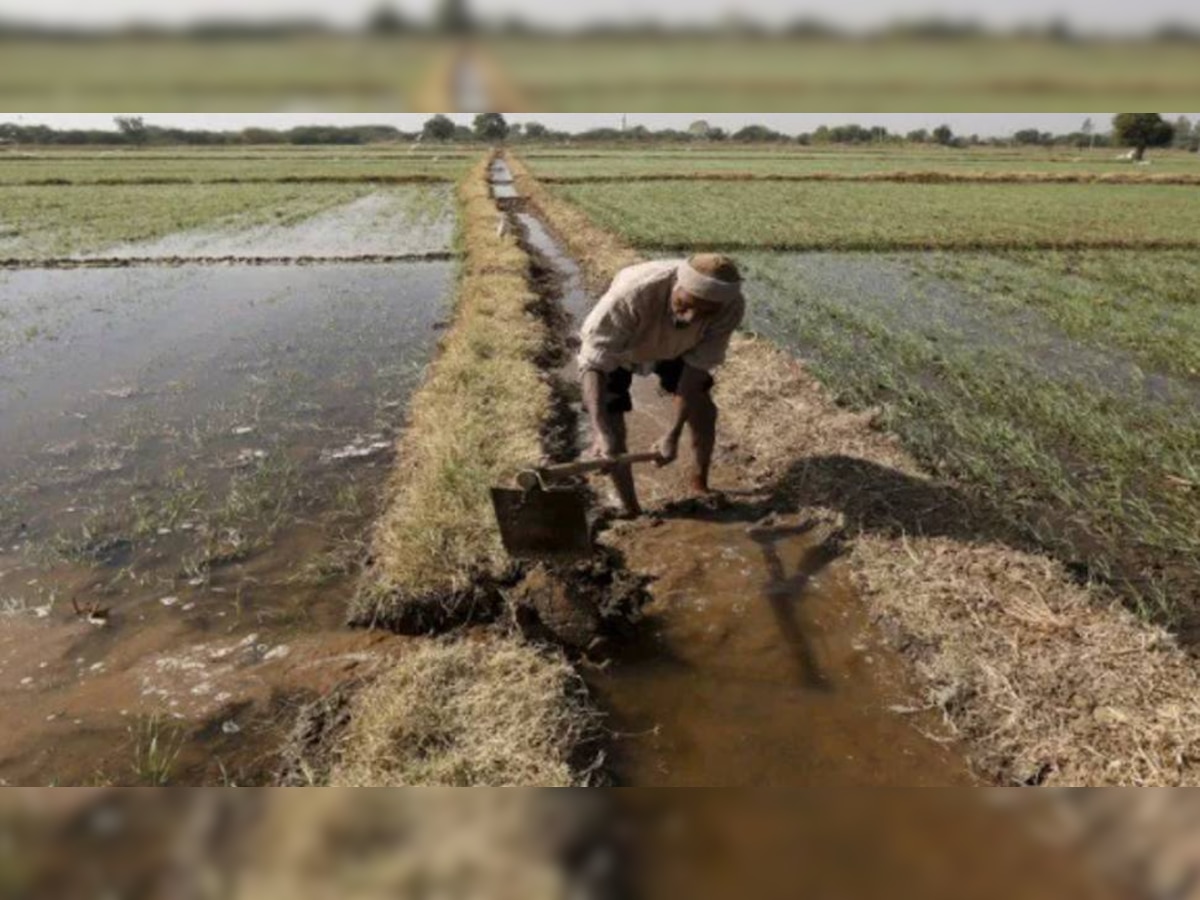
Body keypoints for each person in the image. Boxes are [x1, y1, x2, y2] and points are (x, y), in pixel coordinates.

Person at [577, 253, 746, 517]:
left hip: (680, 349)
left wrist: (673, 432)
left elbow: (695, 373)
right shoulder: (632, 294)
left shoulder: (730, 307)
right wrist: (600, 431)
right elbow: (593, 363)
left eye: (705, 312)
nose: (690, 318)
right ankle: (632, 509)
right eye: (684, 304)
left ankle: (700, 483)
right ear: (676, 285)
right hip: (625, 348)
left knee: (703, 408)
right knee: (612, 429)